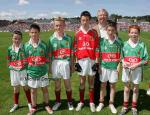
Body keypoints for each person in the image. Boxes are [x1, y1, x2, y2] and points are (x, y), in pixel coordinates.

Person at [119, 25, 148, 115]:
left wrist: (137, 64)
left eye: (136, 32)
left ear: (138, 34)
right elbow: (121, 57)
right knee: (127, 88)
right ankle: (125, 106)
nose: (134, 34)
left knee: (135, 89)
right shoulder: (124, 44)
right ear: (129, 34)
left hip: (137, 70)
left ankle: (134, 107)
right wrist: (123, 62)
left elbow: (146, 60)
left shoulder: (142, 45)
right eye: (132, 32)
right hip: (126, 70)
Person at [74, 11, 99, 112]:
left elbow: (97, 48)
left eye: (87, 20)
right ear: (80, 20)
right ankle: (81, 102)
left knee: (91, 82)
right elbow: (75, 48)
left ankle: (92, 102)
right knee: (82, 82)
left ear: (90, 20)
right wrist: (76, 62)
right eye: (83, 20)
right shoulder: (77, 33)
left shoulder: (94, 32)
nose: (85, 22)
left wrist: (97, 62)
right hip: (81, 61)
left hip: (92, 60)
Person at [25, 24, 53, 115]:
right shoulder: (26, 46)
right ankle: (33, 107)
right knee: (33, 90)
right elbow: (25, 59)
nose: (34, 34)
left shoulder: (44, 45)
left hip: (43, 72)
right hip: (32, 72)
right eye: (32, 32)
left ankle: (47, 105)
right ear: (29, 33)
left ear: (39, 33)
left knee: (44, 89)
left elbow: (48, 58)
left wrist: (47, 67)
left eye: (36, 32)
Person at [96, 21, 122, 114]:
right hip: (104, 67)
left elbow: (120, 57)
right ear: (106, 30)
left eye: (112, 30)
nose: (110, 32)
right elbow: (98, 55)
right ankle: (101, 102)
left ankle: (111, 103)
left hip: (114, 68)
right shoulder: (102, 41)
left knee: (112, 86)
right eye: (109, 30)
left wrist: (119, 68)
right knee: (102, 85)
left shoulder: (119, 42)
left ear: (115, 31)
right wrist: (98, 66)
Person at [48, 17, 74, 111]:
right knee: (57, 85)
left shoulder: (69, 38)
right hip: (55, 63)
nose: (59, 27)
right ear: (54, 26)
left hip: (65, 63)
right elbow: (50, 55)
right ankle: (58, 102)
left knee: (67, 84)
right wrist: (50, 67)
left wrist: (72, 65)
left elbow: (71, 54)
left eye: (61, 25)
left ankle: (70, 101)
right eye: (57, 25)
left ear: (64, 26)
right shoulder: (51, 39)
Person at [7, 30, 32, 113]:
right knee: (16, 88)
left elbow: (28, 58)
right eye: (15, 38)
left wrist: (26, 64)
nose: (17, 40)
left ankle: (29, 103)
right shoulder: (9, 48)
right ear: (12, 38)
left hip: (23, 71)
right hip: (14, 71)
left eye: (18, 39)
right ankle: (16, 104)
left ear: (21, 39)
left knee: (25, 86)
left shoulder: (24, 47)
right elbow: (9, 59)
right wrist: (10, 66)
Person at [93, 9, 111, 104]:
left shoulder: (111, 28)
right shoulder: (93, 29)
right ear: (97, 17)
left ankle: (108, 98)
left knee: (108, 80)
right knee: (96, 79)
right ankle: (96, 99)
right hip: (96, 58)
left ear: (107, 16)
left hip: (108, 58)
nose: (102, 17)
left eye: (104, 15)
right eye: (100, 15)